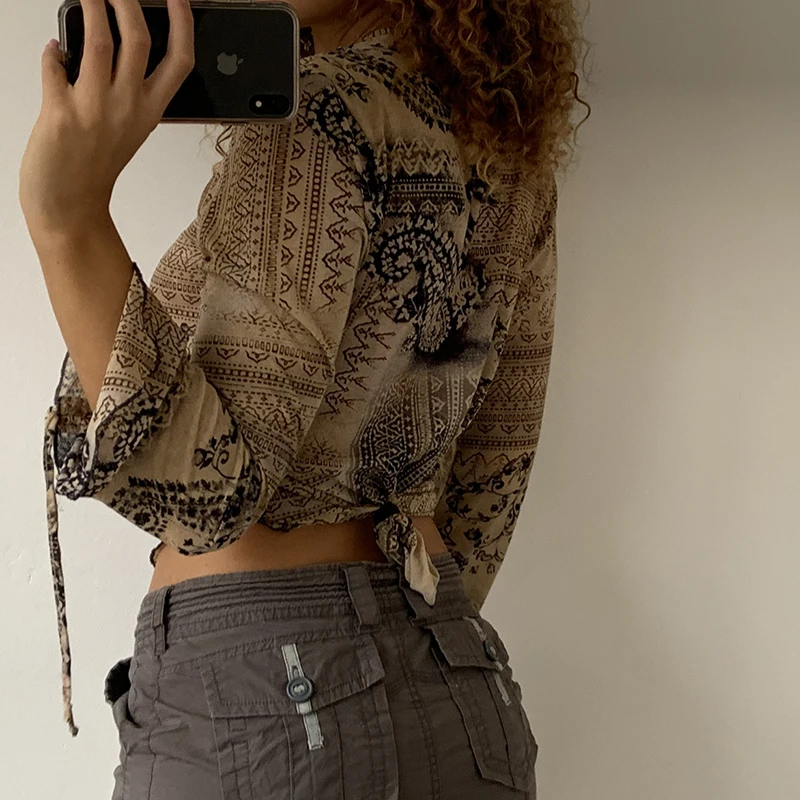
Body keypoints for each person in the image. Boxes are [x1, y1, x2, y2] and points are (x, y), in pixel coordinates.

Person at [19, 0, 590, 796]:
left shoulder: (316, 114)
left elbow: (210, 498)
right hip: (458, 695)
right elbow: (490, 484)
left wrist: (68, 220)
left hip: (266, 706)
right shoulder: (508, 156)